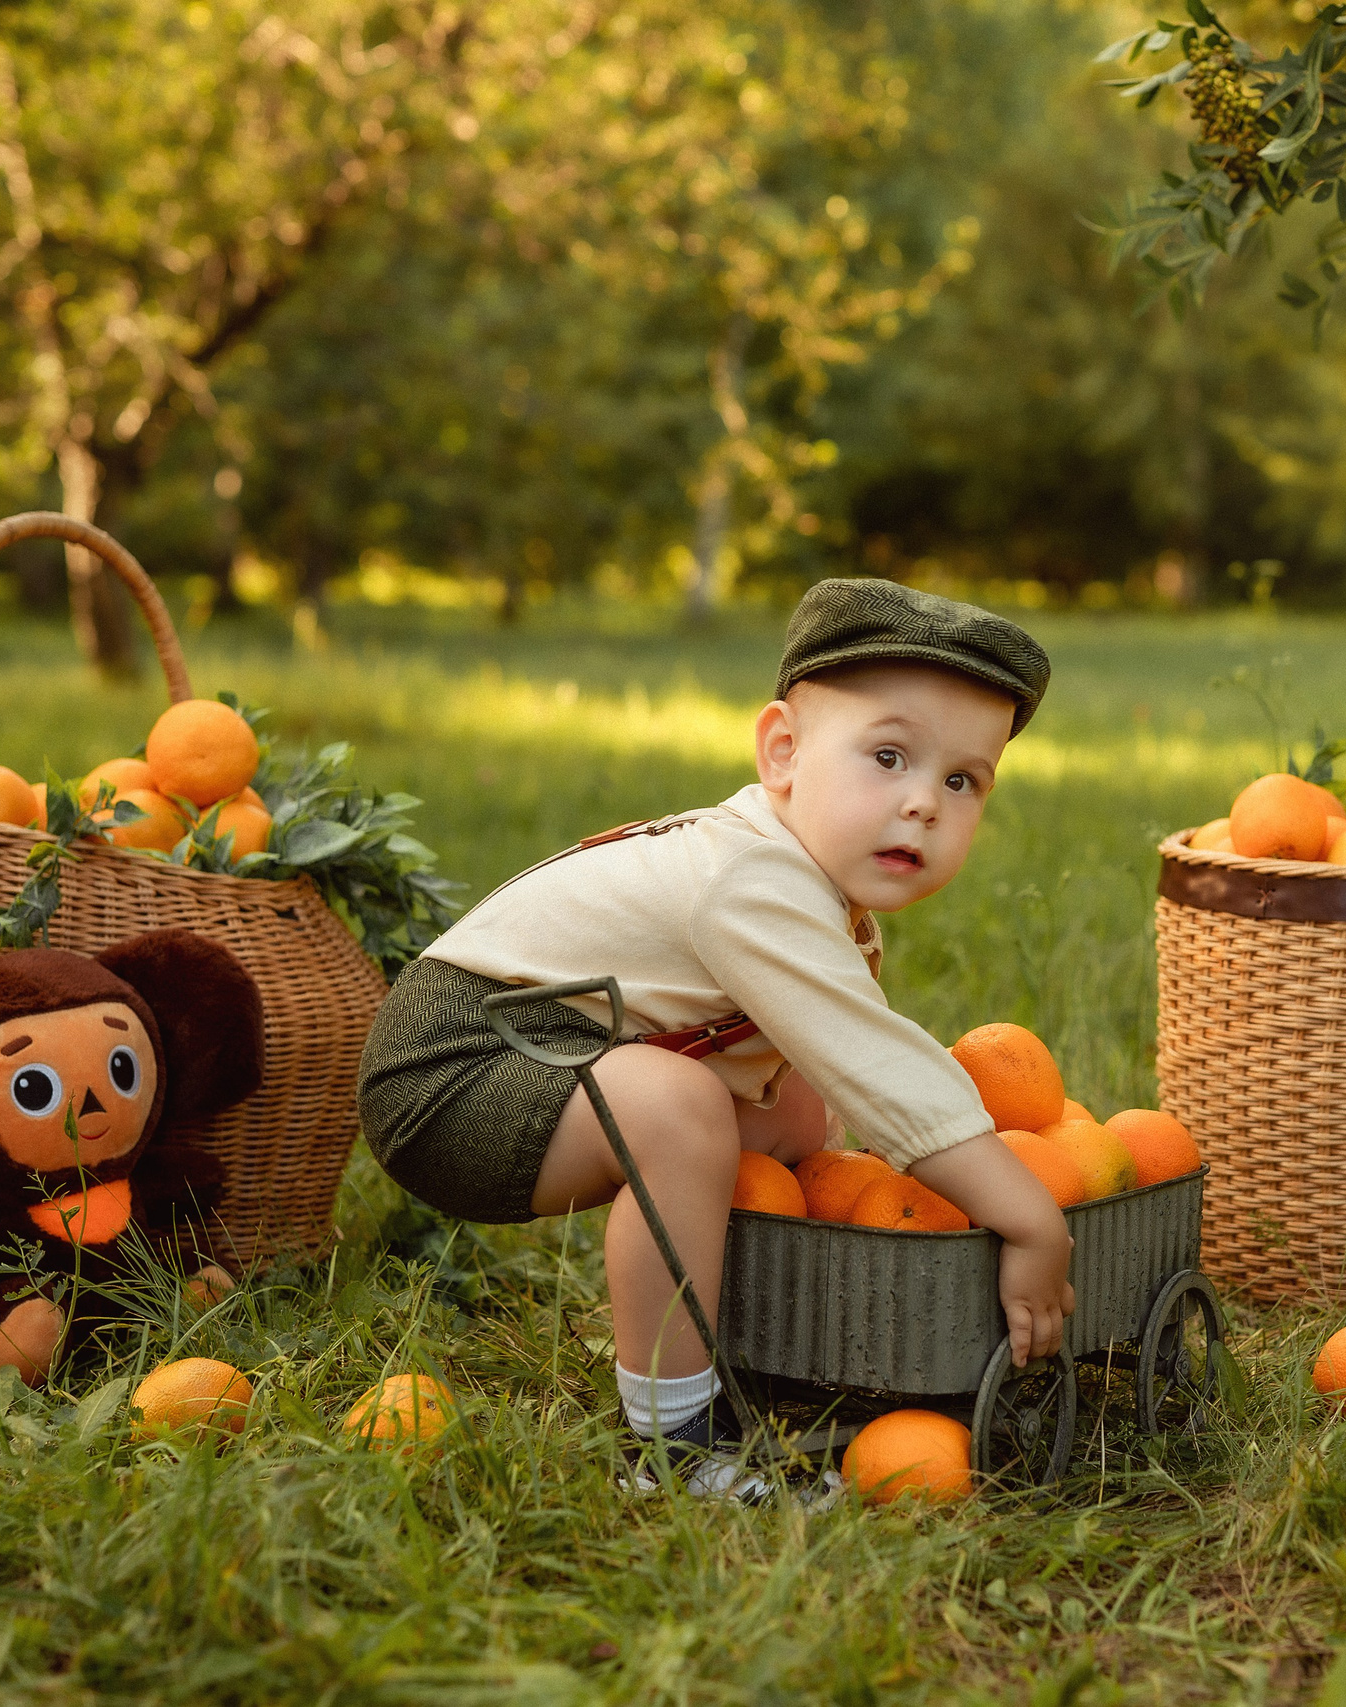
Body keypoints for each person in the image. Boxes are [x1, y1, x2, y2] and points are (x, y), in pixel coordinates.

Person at [358, 578, 1075, 1491]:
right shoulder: (753, 883)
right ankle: (672, 1445)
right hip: (451, 1069)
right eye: (889, 756)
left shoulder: (816, 899)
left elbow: (841, 1078)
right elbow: (884, 1070)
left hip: (548, 1053)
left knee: (792, 1106)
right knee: (684, 1109)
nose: (925, 802)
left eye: (961, 779)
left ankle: (737, 1332)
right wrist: (1026, 1209)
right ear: (782, 752)